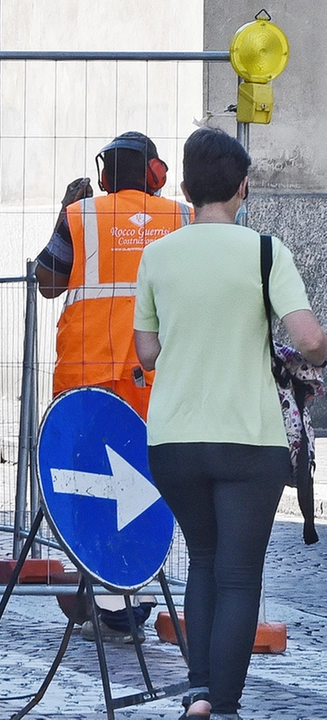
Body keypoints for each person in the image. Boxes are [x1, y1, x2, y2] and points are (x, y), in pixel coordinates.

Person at [134, 126, 327, 720]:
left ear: (186, 189)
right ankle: (223, 701)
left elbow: (146, 353)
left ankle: (196, 691)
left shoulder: (157, 254)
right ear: (243, 188)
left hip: (173, 441)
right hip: (250, 440)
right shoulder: (267, 252)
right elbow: (310, 341)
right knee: (240, 575)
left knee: (204, 560)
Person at [35, 131, 191, 643]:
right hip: (155, 382)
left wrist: (67, 210)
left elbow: (48, 281)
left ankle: (95, 588)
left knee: (84, 488)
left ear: (104, 174)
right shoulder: (180, 219)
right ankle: (136, 595)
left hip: (86, 381)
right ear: (154, 173)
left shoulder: (80, 216)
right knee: (147, 488)